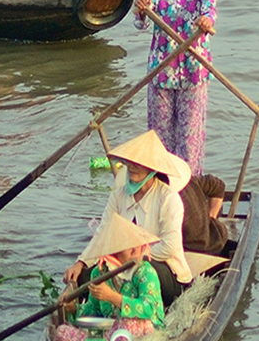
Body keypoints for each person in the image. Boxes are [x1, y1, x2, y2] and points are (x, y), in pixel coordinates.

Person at [63, 130, 193, 309]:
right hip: (123, 265)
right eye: (130, 162)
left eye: (138, 163)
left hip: (165, 271)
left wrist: (132, 260)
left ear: (152, 168)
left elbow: (169, 246)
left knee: (143, 273)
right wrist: (81, 262)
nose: (132, 167)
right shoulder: (118, 196)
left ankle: (130, 306)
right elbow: (103, 234)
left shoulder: (168, 198)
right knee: (88, 276)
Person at [133, 0, 216, 174]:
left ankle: (189, 200)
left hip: (193, 71)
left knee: (190, 143)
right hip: (161, 71)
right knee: (159, 141)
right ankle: (160, 194)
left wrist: (205, 21)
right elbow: (141, 23)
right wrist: (142, 9)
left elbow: (209, 12)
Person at [56, 213, 165, 341]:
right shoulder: (99, 274)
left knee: (127, 324)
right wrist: (73, 308)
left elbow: (149, 309)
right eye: (129, 246)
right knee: (61, 332)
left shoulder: (145, 272)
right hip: (111, 330)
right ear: (114, 252)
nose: (136, 250)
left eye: (137, 244)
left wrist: (112, 297)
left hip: (143, 330)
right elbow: (93, 311)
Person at [180, 173, 228, 255]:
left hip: (198, 250)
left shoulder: (168, 196)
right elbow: (218, 186)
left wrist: (210, 217)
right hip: (216, 238)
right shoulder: (189, 180)